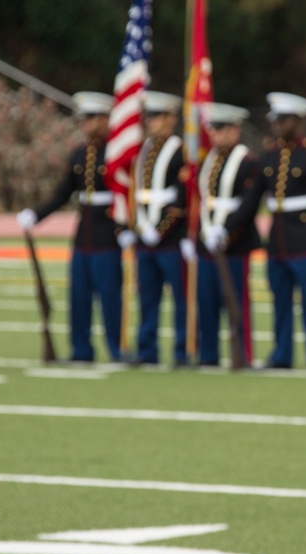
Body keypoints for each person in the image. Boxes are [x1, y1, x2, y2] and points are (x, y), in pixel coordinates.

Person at [17, 92, 124, 363]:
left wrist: (127, 228)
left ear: (105, 119)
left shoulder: (118, 152)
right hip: (84, 235)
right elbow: (63, 192)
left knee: (110, 297)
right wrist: (36, 214)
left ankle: (117, 349)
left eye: (90, 118)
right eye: (83, 119)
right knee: (79, 297)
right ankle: (81, 350)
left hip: (109, 233)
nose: (85, 124)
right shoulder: (80, 153)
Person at [246, 92, 306, 370]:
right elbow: (255, 196)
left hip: (305, 237)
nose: (277, 125)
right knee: (280, 300)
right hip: (277, 238)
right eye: (275, 120)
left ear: (297, 120)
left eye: (283, 119)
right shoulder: (269, 154)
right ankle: (282, 354)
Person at [124, 91, 191, 367]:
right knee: (147, 297)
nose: (150, 122)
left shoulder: (181, 150)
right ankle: (146, 348)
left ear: (170, 119)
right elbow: (136, 192)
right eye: (148, 116)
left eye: (156, 116)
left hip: (171, 238)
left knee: (181, 298)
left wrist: (161, 229)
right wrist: (137, 226)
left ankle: (181, 350)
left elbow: (182, 196)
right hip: (144, 234)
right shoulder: (143, 149)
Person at [196, 102, 261, 367]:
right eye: (213, 129)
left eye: (221, 129)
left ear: (235, 130)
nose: (216, 134)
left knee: (236, 301)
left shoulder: (247, 162)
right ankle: (208, 354)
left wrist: (225, 229)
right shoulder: (209, 159)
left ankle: (242, 354)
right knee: (206, 300)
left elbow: (249, 204)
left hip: (235, 242)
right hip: (207, 240)